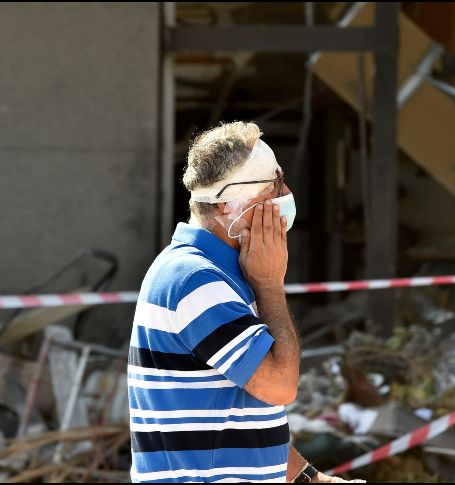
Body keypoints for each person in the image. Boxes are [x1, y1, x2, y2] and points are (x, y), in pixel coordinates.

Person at [128, 122, 354, 483]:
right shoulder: (195, 280)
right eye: (274, 186)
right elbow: (280, 386)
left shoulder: (218, 275)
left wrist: (311, 479)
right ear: (226, 206)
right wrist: (270, 286)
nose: (287, 194)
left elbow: (240, 412)